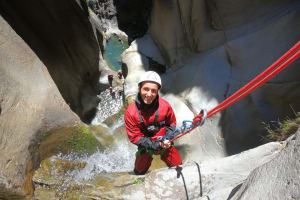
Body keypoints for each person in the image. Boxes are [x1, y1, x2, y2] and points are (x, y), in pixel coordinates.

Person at [124, 71, 182, 175]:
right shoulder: (131, 112)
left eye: (153, 91)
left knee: (179, 166)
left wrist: (167, 138)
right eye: (146, 89)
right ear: (139, 88)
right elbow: (135, 137)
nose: (149, 94)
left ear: (157, 92)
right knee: (139, 171)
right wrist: (155, 145)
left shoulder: (165, 106)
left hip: (164, 142)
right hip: (146, 145)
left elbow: (171, 124)